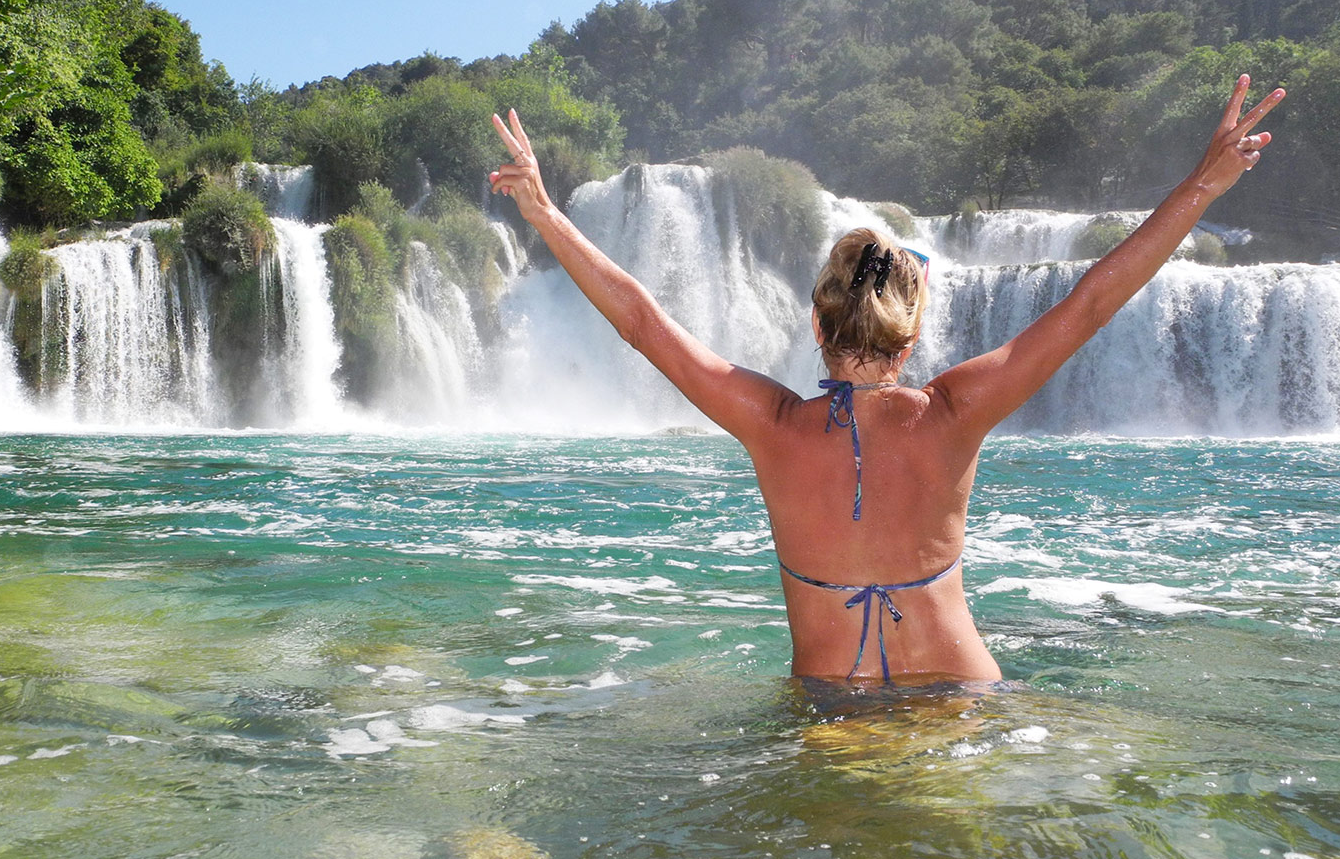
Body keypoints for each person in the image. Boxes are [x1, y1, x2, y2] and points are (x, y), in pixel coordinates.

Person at [488, 76, 1285, 686]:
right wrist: (1204, 186)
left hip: (830, 710)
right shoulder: (956, 410)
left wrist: (544, 211)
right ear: (912, 338)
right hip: (960, 699)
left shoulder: (770, 423)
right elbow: (1093, 302)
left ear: (815, 324)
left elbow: (639, 319)